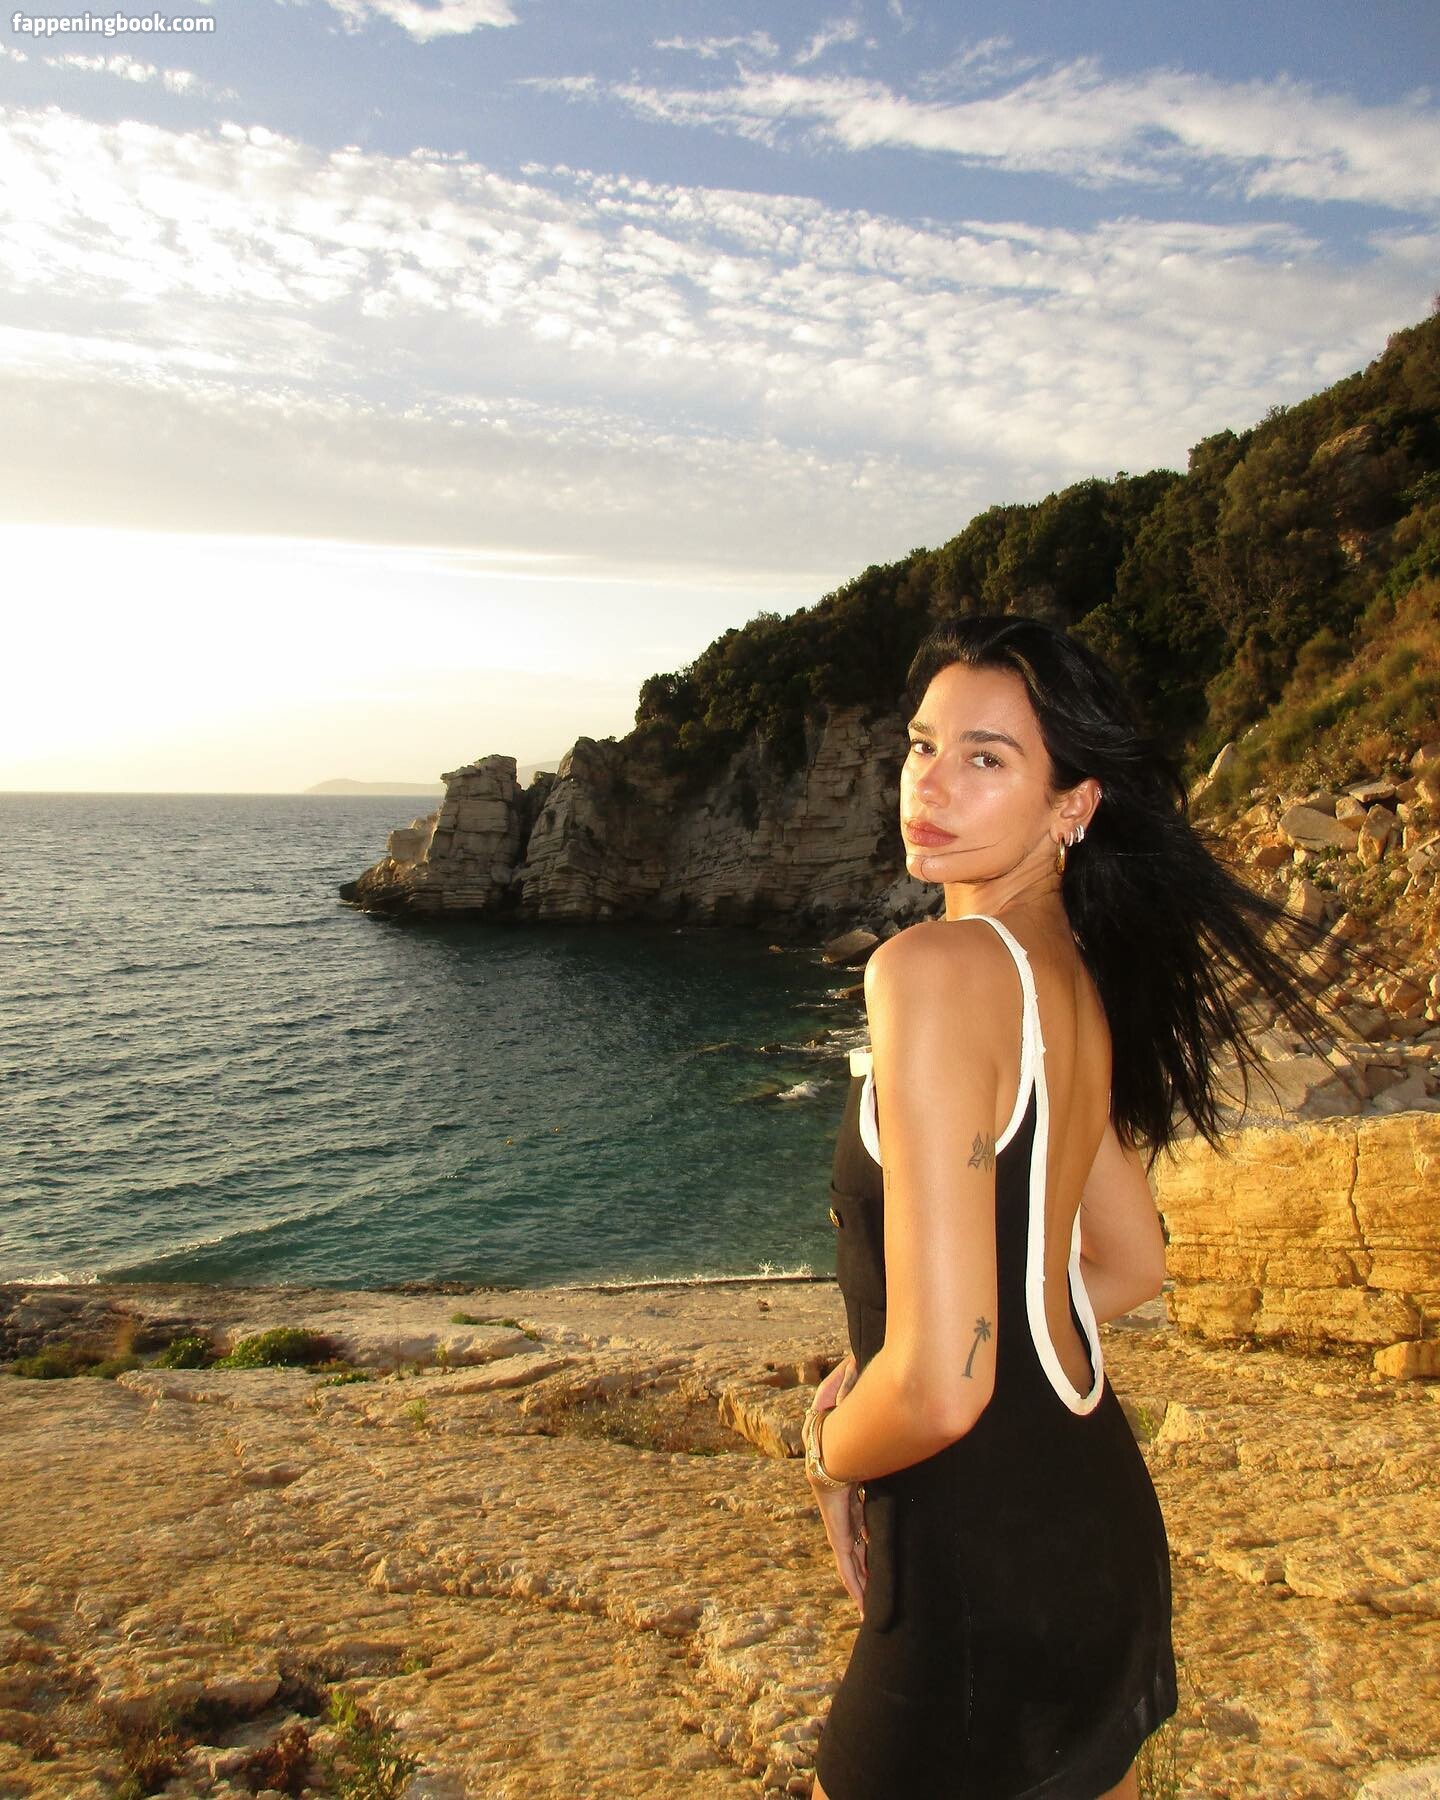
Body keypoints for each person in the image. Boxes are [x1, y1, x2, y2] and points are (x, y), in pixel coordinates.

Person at [805, 614, 1326, 1799]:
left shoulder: (934, 973)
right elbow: (1130, 1263)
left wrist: (830, 1451)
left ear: (1073, 804)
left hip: (974, 1580)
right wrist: (935, 1334)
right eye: (923, 744)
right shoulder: (1066, 980)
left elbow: (941, 1389)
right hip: (1092, 1539)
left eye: (986, 758)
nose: (931, 783)